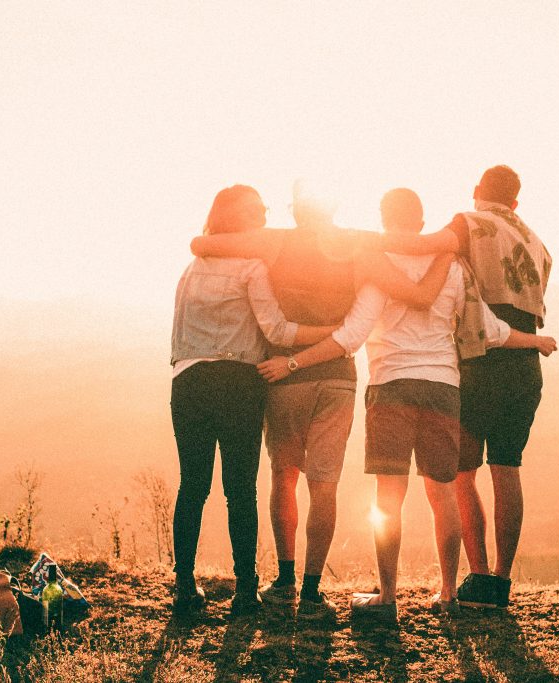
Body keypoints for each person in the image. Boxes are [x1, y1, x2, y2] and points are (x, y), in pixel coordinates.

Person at [257, 188, 556, 620]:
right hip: (443, 389)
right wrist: (537, 341)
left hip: (391, 386)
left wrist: (293, 362)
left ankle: (388, 597)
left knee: (388, 499)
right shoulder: (453, 267)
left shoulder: (379, 266)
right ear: (421, 223)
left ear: (383, 218)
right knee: (443, 495)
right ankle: (449, 594)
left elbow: (352, 336)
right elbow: (490, 330)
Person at [190, 181, 451, 620]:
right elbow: (417, 291)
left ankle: (285, 579)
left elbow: (202, 243)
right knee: (324, 484)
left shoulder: (274, 243)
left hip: (284, 375)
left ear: (296, 211)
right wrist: (447, 249)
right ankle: (312, 591)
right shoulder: (358, 246)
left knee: (284, 475)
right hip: (337, 378)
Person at [379, 166, 553, 608]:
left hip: (479, 360)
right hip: (525, 363)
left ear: (477, 192)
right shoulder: (537, 243)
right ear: (516, 202)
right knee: (508, 468)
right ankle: (501, 580)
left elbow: (420, 245)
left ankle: (474, 578)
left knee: (462, 472)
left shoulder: (468, 223)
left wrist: (361, 245)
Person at [169, 185, 337, 617]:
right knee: (239, 489)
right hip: (239, 382)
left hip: (188, 380)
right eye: (256, 210)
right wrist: (331, 334)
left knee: (193, 486)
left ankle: (184, 587)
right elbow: (278, 332)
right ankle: (245, 590)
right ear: (239, 219)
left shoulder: (191, 268)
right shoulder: (252, 266)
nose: (264, 215)